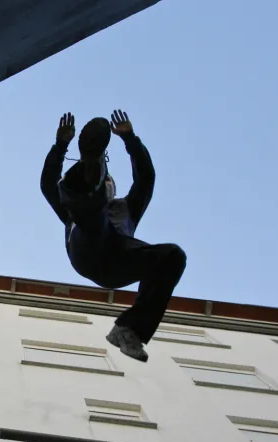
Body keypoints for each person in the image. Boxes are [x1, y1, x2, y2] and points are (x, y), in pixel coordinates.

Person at [40, 109, 186, 362]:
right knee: (93, 219)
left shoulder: (128, 207)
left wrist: (131, 140)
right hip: (87, 249)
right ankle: (86, 175)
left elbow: (146, 178)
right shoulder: (72, 212)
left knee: (173, 256)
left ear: (112, 188)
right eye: (102, 179)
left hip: (119, 259)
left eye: (107, 182)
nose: (107, 184)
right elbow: (47, 184)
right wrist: (60, 146)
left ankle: (129, 330)